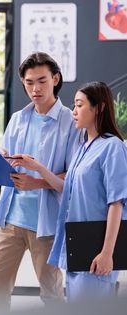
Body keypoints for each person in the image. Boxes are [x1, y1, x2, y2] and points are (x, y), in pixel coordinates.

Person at [0, 52, 80, 311]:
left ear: (55, 79)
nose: (35, 88)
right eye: (29, 82)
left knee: (51, 295)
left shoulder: (71, 123)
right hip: (10, 219)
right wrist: (0, 159)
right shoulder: (18, 119)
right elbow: (8, 163)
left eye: (42, 81)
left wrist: (37, 183)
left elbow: (71, 179)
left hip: (46, 223)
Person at [42, 81, 127, 301]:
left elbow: (117, 203)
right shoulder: (82, 147)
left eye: (79, 105)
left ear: (98, 108)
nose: (74, 111)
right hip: (76, 245)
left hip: (96, 247)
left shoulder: (112, 147)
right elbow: (68, 189)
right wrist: (38, 168)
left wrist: (107, 253)